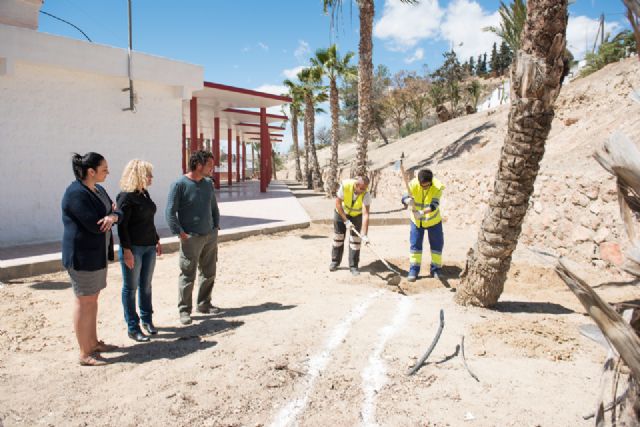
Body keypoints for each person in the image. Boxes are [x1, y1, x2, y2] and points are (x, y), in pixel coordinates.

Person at [61, 152, 121, 366]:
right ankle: (85, 353)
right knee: (84, 301)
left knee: (92, 301)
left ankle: (93, 343)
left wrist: (113, 216)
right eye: (104, 169)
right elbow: (95, 225)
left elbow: (116, 210)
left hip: (97, 255)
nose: (108, 172)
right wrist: (110, 218)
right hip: (82, 256)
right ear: (91, 171)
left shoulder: (99, 189)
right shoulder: (76, 194)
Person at [165, 150, 220, 325]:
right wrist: (180, 233)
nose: (213, 168)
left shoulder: (208, 184)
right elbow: (170, 212)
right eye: (210, 165)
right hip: (191, 238)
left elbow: (214, 207)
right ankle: (184, 311)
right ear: (198, 165)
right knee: (188, 274)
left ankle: (204, 304)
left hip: (210, 236)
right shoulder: (179, 185)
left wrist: (215, 226)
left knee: (209, 272)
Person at [116, 160, 162, 342]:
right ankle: (133, 327)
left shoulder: (144, 194)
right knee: (131, 288)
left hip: (149, 246)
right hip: (133, 248)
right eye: (148, 174)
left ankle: (147, 320)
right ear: (139, 175)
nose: (151, 178)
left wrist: (156, 239)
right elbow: (122, 227)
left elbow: (148, 221)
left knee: (146, 285)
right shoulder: (125, 197)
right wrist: (126, 250)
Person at [401, 169, 445, 282]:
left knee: (437, 246)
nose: (425, 187)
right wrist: (407, 201)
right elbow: (404, 197)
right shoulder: (412, 184)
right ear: (419, 182)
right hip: (417, 222)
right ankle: (414, 270)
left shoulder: (437, 186)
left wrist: (422, 212)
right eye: (423, 186)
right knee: (415, 245)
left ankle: (436, 269)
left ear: (431, 182)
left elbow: (434, 204)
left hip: (433, 221)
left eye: (427, 185)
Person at [330, 176, 371, 276]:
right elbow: (338, 204)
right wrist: (346, 220)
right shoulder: (345, 186)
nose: (362, 191)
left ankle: (353, 266)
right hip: (341, 213)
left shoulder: (366, 193)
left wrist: (365, 235)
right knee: (338, 238)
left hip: (356, 216)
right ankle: (335, 262)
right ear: (356, 185)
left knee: (355, 241)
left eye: (364, 189)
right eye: (361, 188)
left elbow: (366, 214)